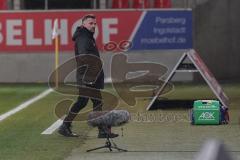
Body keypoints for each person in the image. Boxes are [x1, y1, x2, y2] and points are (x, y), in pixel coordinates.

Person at [58, 14, 118, 138]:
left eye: (95, 23)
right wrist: (89, 77)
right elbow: (84, 56)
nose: (93, 26)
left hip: (89, 75)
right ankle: (101, 131)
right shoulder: (84, 37)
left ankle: (66, 126)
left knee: (83, 102)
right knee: (96, 102)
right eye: (90, 23)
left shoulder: (87, 36)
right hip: (87, 76)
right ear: (83, 24)